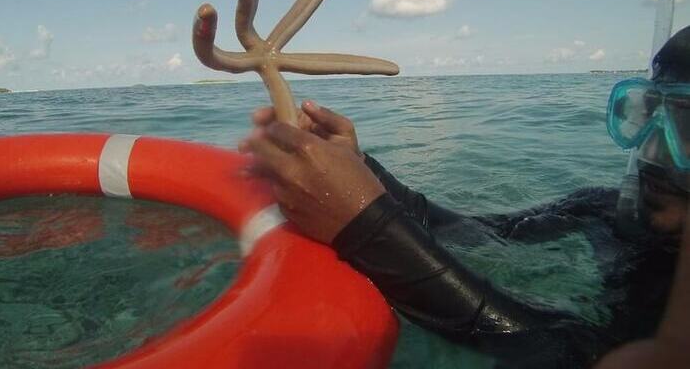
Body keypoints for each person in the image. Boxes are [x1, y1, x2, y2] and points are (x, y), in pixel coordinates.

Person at [239, 25, 690, 368]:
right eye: (648, 114)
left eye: (686, 127)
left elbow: (565, 354)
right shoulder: (604, 208)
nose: (653, 150)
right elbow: (486, 235)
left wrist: (366, 226)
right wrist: (363, 173)